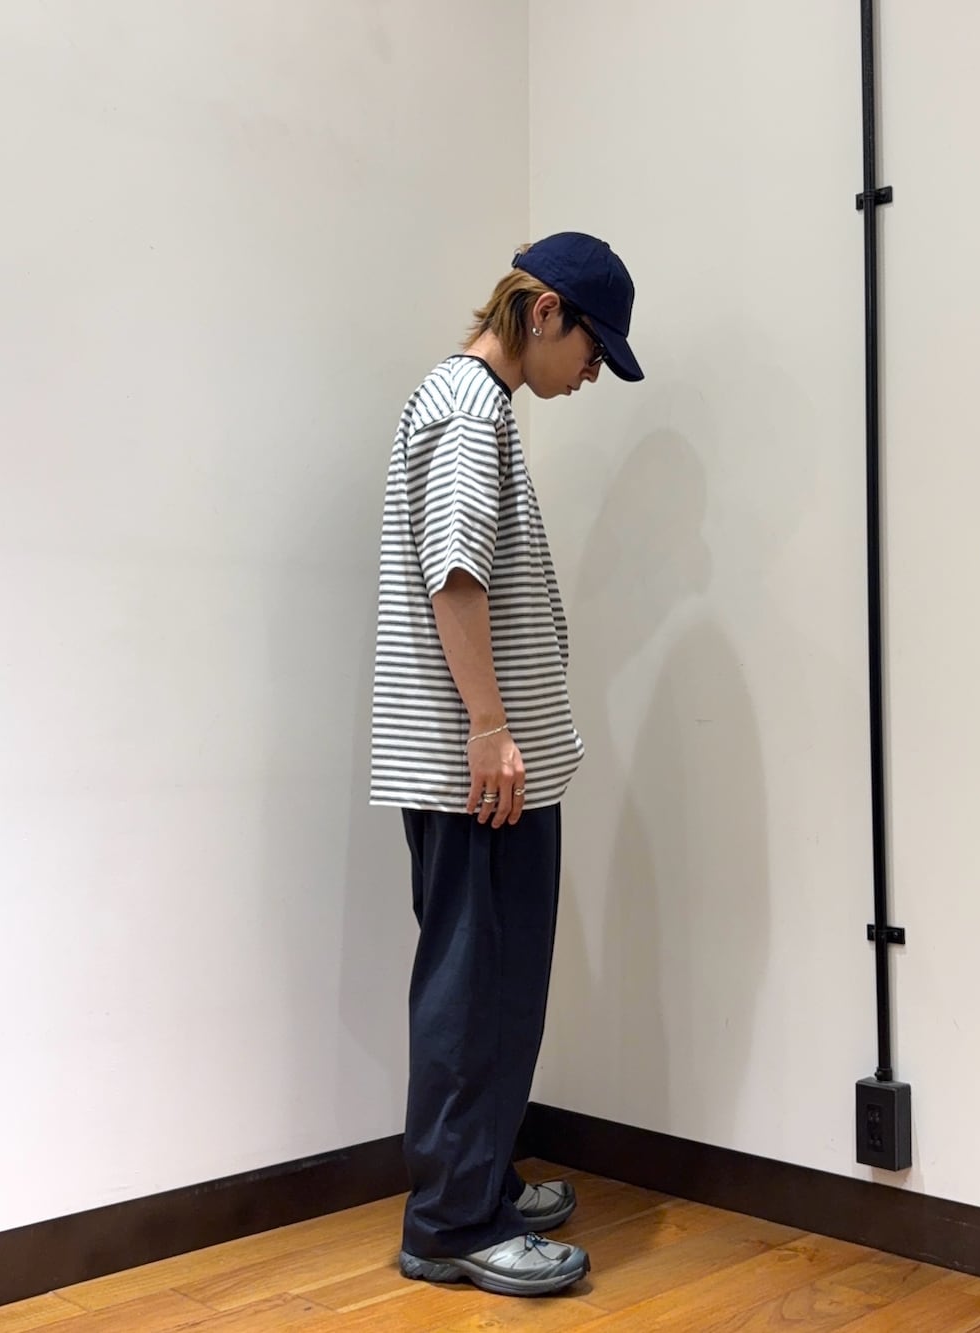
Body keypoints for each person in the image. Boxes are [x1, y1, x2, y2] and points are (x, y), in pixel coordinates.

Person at [370, 232, 643, 1298]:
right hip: (478, 769)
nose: (590, 375)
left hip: (487, 764)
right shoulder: (467, 410)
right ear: (543, 312)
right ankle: (452, 1222)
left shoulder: (473, 405)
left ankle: (476, 1179)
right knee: (476, 989)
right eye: (592, 350)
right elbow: (455, 575)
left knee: (492, 983)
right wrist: (488, 726)